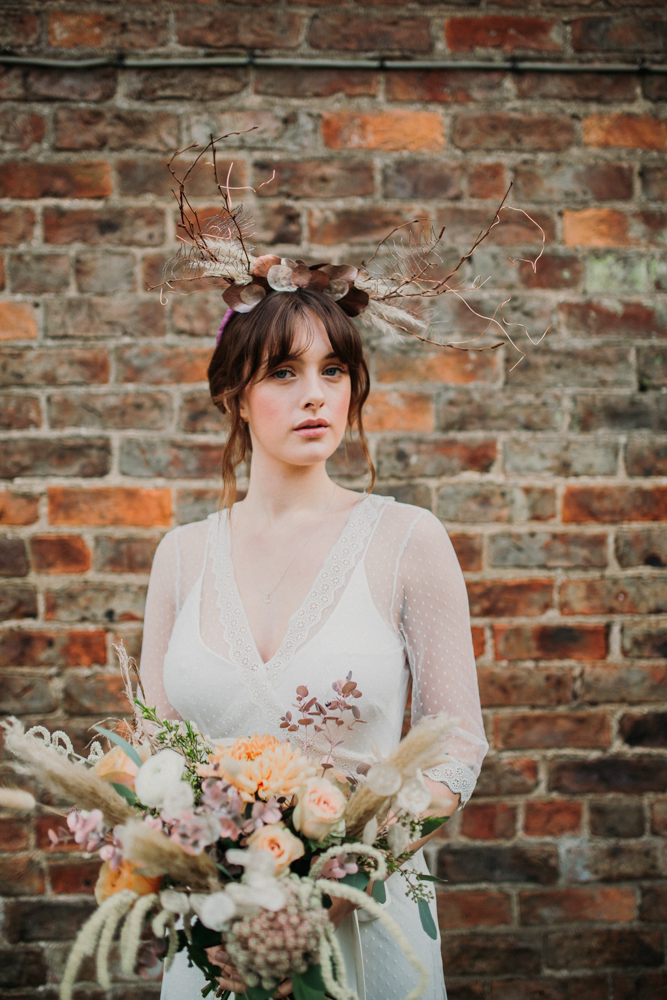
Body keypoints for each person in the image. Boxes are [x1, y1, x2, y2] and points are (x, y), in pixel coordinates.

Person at [140, 287, 488, 1000]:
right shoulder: (180, 556)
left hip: (365, 919)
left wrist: (338, 877)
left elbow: (455, 747)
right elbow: (155, 754)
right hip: (217, 932)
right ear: (234, 395)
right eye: (282, 371)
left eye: (333, 370)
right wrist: (220, 901)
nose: (315, 396)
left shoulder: (406, 541)